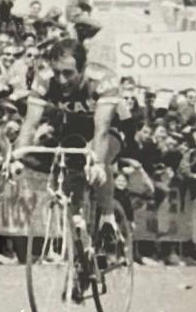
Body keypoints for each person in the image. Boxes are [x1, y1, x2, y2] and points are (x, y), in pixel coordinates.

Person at [11, 36, 120, 235]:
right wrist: (17, 156)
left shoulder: (102, 79)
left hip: (110, 126)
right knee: (71, 172)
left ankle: (107, 217)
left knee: (98, 160)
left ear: (83, 68)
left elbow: (101, 128)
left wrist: (99, 164)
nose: (61, 80)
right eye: (57, 72)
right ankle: (76, 231)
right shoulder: (44, 78)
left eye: (68, 73)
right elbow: (30, 123)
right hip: (74, 127)